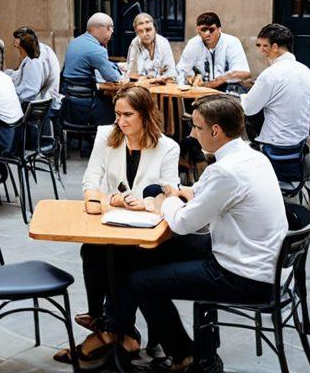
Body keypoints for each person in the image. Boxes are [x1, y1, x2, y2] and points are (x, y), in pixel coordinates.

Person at [113, 95, 287, 372]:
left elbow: (183, 223)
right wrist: (181, 191)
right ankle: (120, 332)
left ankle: (185, 355)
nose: (193, 134)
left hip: (242, 275)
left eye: (196, 127)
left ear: (215, 130)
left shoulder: (226, 171)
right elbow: (212, 193)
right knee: (138, 255)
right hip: (260, 261)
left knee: (139, 281)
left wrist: (165, 201)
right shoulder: (254, 157)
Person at [62, 86, 180, 365]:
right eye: (117, 114)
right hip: (113, 220)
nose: (120, 121)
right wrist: (108, 199)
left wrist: (145, 203)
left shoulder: (167, 147)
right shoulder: (106, 136)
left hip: (149, 230)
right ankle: (117, 330)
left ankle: (110, 330)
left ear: (146, 115)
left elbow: (170, 191)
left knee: (121, 259)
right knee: (92, 249)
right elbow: (91, 179)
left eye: (128, 115)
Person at [242, 23, 310, 181]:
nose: (261, 51)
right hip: (299, 148)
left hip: (274, 149)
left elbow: (248, 108)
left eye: (264, 46)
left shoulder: (270, 74)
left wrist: (242, 97)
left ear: (275, 47)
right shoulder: (306, 71)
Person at [62, 12, 123, 127]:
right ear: (107, 28)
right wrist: (120, 72)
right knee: (120, 110)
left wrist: (114, 65)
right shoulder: (96, 50)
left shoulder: (75, 42)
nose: (112, 32)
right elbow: (113, 78)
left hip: (70, 102)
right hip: (88, 104)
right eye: (111, 28)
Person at [175, 12, 249, 92]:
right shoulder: (193, 44)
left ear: (219, 29)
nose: (207, 34)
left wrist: (219, 80)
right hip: (201, 91)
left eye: (211, 30)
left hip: (227, 91)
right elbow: (181, 70)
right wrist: (183, 88)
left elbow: (243, 73)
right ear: (198, 30)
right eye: (204, 30)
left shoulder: (231, 42)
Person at [9, 27, 61, 109]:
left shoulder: (34, 60)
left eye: (18, 48)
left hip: (40, 106)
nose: (18, 51)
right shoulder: (41, 48)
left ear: (24, 45)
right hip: (46, 100)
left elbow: (29, 92)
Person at [125, 13, 175, 79]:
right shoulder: (135, 43)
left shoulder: (163, 42)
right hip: (142, 83)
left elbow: (171, 73)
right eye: (141, 31)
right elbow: (132, 74)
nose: (145, 34)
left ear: (155, 29)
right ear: (136, 33)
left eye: (148, 30)